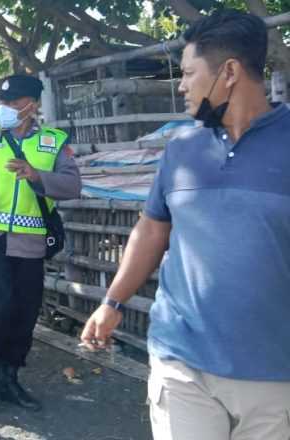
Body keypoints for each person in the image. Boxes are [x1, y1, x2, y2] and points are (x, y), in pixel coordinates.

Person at [81, 11, 290, 440]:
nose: (181, 85)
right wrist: (112, 302)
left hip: (274, 373)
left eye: (189, 73)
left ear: (229, 72)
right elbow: (152, 230)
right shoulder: (182, 150)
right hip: (182, 359)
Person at [0, 74, 81, 416]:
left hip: (30, 239)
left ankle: (10, 379)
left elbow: (72, 186)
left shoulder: (54, 142)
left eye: (12, 103)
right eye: (2, 102)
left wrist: (38, 176)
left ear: (32, 106)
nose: (4, 109)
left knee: (24, 311)